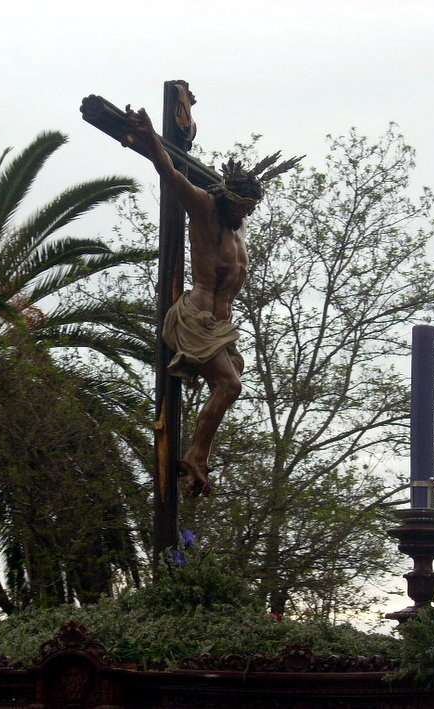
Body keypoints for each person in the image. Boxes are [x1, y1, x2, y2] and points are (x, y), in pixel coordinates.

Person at [122, 106, 301, 497]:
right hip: (195, 317)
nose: (245, 212)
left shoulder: (238, 226)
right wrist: (150, 137)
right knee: (229, 385)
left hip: (220, 327)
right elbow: (170, 172)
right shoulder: (203, 208)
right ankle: (196, 456)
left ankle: (197, 457)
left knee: (231, 383)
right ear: (226, 197)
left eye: (250, 208)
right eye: (240, 206)